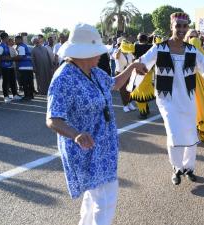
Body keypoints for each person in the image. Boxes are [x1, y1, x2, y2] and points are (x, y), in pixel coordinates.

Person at [46, 23, 146, 225]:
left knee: (94, 196)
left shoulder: (93, 71)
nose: (101, 54)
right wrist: (76, 134)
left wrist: (132, 67)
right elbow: (53, 119)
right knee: (106, 197)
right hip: (85, 149)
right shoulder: (64, 77)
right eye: (96, 51)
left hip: (104, 145)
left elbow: (115, 84)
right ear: (82, 53)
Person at [136, 12, 204, 185]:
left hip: (188, 97)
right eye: (178, 26)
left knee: (189, 131)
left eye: (184, 26)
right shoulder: (159, 48)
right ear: (171, 27)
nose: (181, 29)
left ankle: (189, 167)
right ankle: (177, 168)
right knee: (174, 132)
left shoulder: (192, 50)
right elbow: (142, 62)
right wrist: (133, 70)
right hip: (167, 98)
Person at [0, 32, 21, 103]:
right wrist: (0, 65)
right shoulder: (1, 46)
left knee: (13, 81)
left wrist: (9, 58)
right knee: (6, 82)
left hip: (10, 66)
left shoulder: (6, 45)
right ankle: (6, 97)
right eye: (8, 37)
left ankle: (15, 95)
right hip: (4, 67)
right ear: (6, 37)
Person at [113, 37, 136, 112]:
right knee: (123, 89)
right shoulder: (116, 51)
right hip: (120, 72)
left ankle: (129, 103)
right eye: (123, 43)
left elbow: (133, 60)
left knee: (130, 88)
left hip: (129, 72)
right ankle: (125, 105)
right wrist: (120, 48)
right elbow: (116, 57)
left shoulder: (129, 52)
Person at [14, 35, 35, 100]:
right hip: (29, 66)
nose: (15, 41)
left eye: (16, 40)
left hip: (23, 67)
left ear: (20, 40)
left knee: (25, 82)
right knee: (30, 82)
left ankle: (27, 95)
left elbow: (21, 56)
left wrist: (12, 58)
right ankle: (31, 95)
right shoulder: (25, 46)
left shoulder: (21, 47)